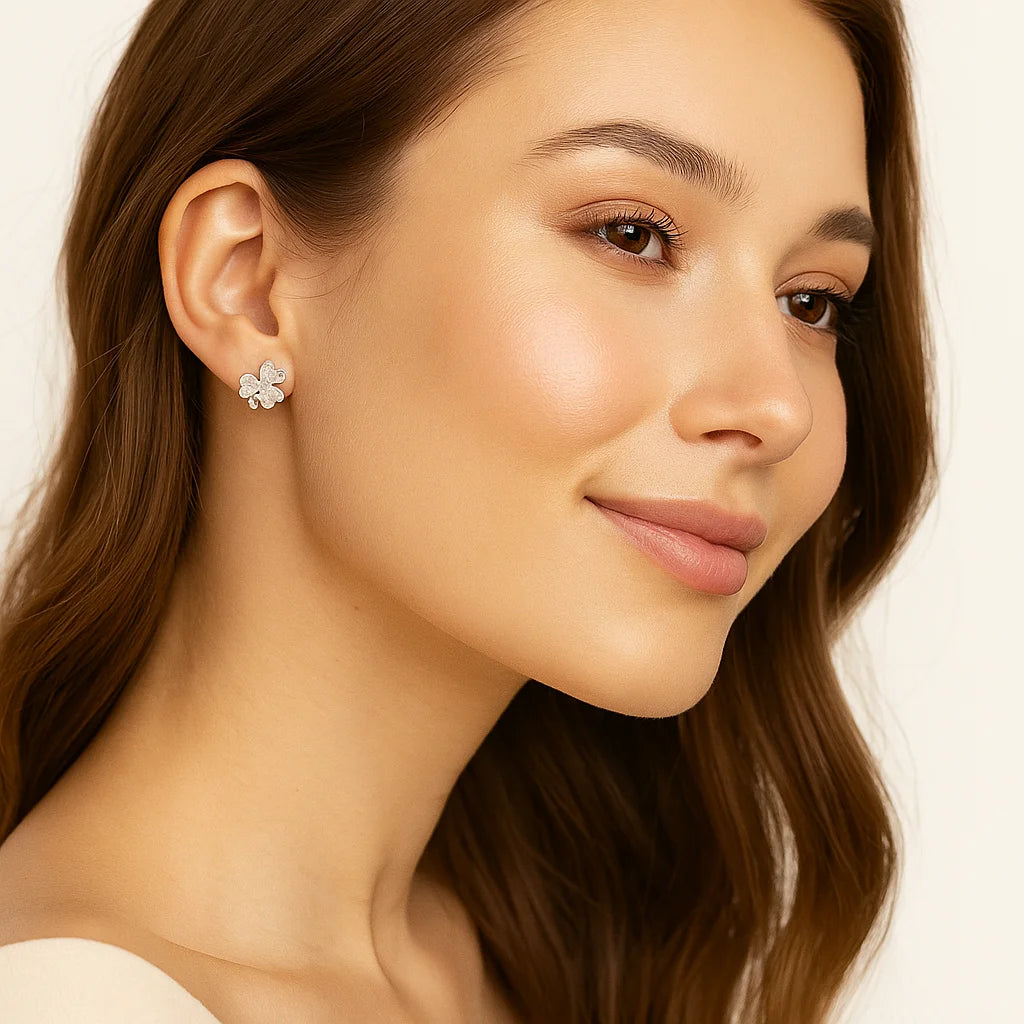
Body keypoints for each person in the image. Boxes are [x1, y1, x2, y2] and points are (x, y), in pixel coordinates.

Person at [0, 0, 938, 1020]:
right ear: (247, 283)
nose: (779, 407)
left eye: (811, 301)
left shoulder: (545, 960)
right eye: (633, 235)